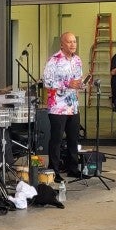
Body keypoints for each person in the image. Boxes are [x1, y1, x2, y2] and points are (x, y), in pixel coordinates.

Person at [42, 32, 83, 182]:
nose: (73, 44)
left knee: (73, 138)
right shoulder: (54, 61)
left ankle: (73, 168)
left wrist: (80, 86)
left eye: (74, 42)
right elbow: (46, 82)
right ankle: (54, 171)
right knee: (57, 139)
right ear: (62, 44)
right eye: (69, 42)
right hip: (57, 107)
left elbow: (77, 81)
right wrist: (67, 84)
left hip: (73, 106)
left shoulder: (77, 60)